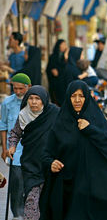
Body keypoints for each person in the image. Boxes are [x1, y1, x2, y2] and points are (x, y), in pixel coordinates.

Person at [40, 80, 107, 220]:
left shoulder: (96, 118)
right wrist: (51, 163)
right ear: (68, 98)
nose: (77, 100)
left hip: (96, 180)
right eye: (73, 96)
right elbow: (46, 153)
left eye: (81, 96)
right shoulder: (60, 123)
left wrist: (90, 129)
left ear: (87, 97)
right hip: (68, 184)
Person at [7, 85, 59, 220]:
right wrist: (12, 146)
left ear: (44, 100)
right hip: (31, 163)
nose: (34, 102)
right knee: (31, 197)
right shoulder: (23, 115)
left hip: (50, 163)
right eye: (31, 98)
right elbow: (15, 133)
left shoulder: (54, 113)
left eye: (37, 98)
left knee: (48, 200)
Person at [0, 73, 31, 219]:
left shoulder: (34, 101)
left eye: (21, 89)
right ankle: (17, 214)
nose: (18, 92)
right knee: (16, 182)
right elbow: (3, 125)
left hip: (32, 150)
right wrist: (4, 149)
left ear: (28, 87)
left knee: (30, 184)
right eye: (15, 89)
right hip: (15, 151)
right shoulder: (7, 103)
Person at [45, 39, 68, 105]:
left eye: (65, 45)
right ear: (58, 46)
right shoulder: (53, 56)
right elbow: (49, 69)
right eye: (63, 44)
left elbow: (66, 70)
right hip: (54, 84)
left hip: (64, 84)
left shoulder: (66, 57)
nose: (65, 46)